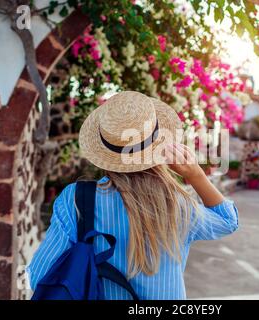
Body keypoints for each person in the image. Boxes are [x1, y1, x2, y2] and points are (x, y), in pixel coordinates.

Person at [26, 91, 239, 299]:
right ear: (158, 145)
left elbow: (40, 275)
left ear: (104, 149)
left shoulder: (76, 200)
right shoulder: (177, 204)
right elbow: (227, 221)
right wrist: (196, 175)